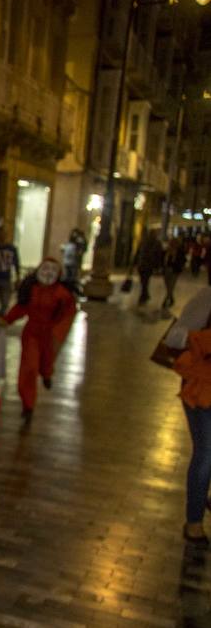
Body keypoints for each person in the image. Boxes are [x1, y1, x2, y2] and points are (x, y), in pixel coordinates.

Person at [2, 256, 77, 422]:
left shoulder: (62, 295)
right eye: (45, 269)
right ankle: (28, 404)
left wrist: (58, 331)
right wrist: (6, 320)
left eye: (53, 270)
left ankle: (47, 374)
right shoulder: (31, 289)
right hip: (31, 334)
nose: (48, 273)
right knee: (29, 367)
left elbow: (68, 314)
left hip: (49, 336)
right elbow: (21, 307)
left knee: (46, 362)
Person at [165, 282, 211, 543]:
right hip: (203, 388)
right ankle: (194, 521)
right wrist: (201, 340)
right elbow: (176, 336)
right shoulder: (207, 297)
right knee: (206, 453)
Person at [136, 229, 164, 306]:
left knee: (144, 281)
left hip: (145, 265)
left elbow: (138, 253)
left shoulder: (145, 242)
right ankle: (145, 294)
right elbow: (159, 255)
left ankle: (144, 295)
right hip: (146, 265)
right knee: (144, 281)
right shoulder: (155, 243)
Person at [164, 233, 188, 310]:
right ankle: (171, 298)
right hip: (166, 270)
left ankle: (165, 300)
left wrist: (179, 267)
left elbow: (183, 260)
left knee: (171, 286)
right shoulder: (167, 251)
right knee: (168, 286)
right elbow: (163, 259)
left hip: (174, 271)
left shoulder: (180, 251)